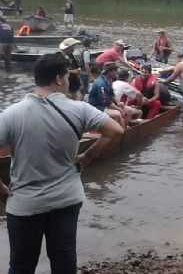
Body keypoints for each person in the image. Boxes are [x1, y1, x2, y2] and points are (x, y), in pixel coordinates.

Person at [0, 53, 123, 274]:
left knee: (21, 265)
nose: (68, 81)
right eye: (67, 76)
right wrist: (87, 157)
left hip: (25, 205)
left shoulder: (11, 115)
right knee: (64, 260)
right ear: (58, 79)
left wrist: (1, 189)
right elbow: (115, 131)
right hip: (66, 200)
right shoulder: (80, 109)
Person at [88, 62, 127, 127]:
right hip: (96, 107)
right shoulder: (101, 84)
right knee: (117, 114)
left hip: (104, 105)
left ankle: (123, 129)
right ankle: (118, 132)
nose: (116, 72)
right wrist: (119, 109)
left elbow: (112, 95)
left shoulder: (109, 80)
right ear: (109, 72)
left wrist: (118, 104)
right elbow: (106, 101)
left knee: (122, 106)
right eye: (115, 71)